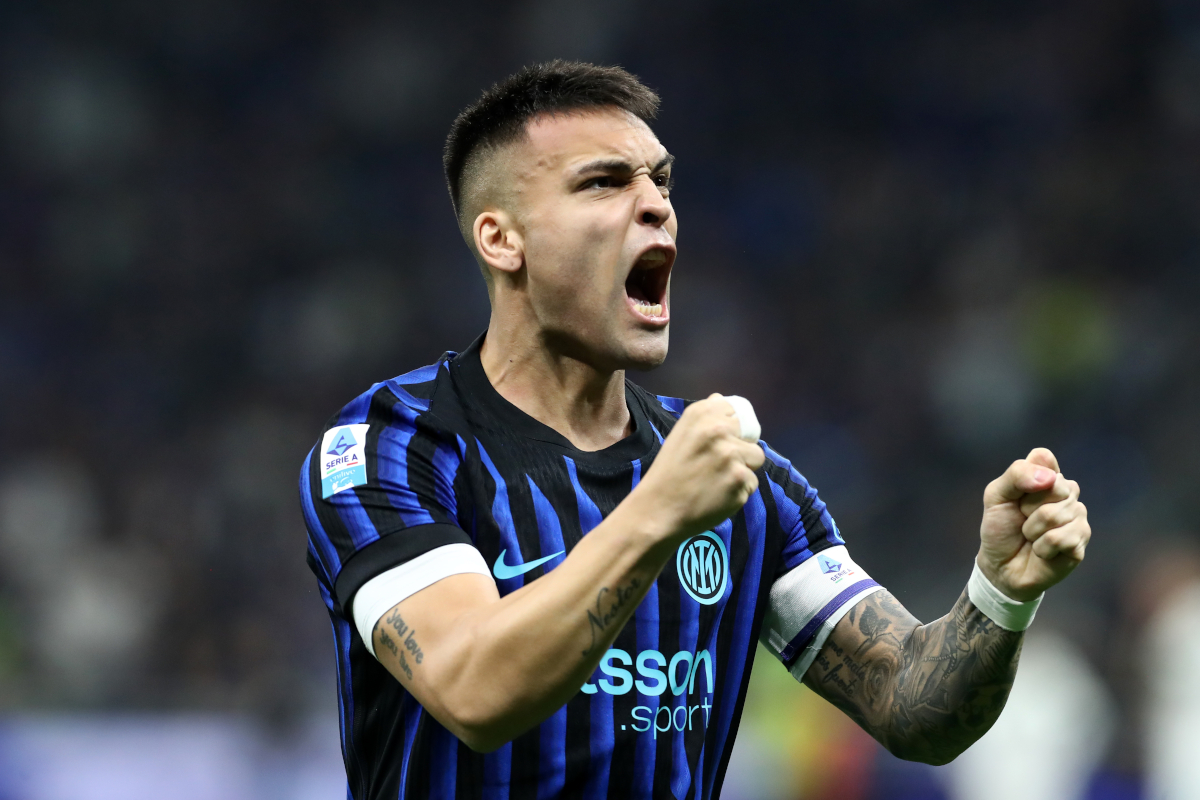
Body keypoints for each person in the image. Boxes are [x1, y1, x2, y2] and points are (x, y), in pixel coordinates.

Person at [298, 61, 1091, 800]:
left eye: (661, 181)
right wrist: (658, 512)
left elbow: (914, 711)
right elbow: (473, 689)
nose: (655, 203)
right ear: (503, 239)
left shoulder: (747, 482)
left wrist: (1000, 592)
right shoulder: (392, 446)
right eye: (603, 182)